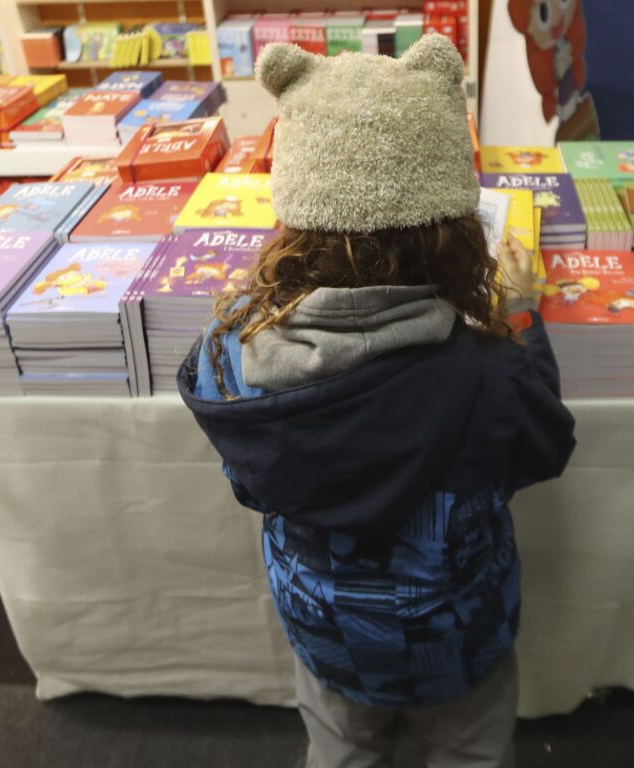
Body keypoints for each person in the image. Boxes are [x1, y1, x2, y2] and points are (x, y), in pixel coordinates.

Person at [179, 34, 577, 768]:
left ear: (295, 219)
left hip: (326, 630)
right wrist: (520, 311)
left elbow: (248, 480)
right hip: (458, 634)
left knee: (339, 745)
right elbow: (544, 443)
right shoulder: (490, 375)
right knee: (469, 749)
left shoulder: (229, 359)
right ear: (457, 232)